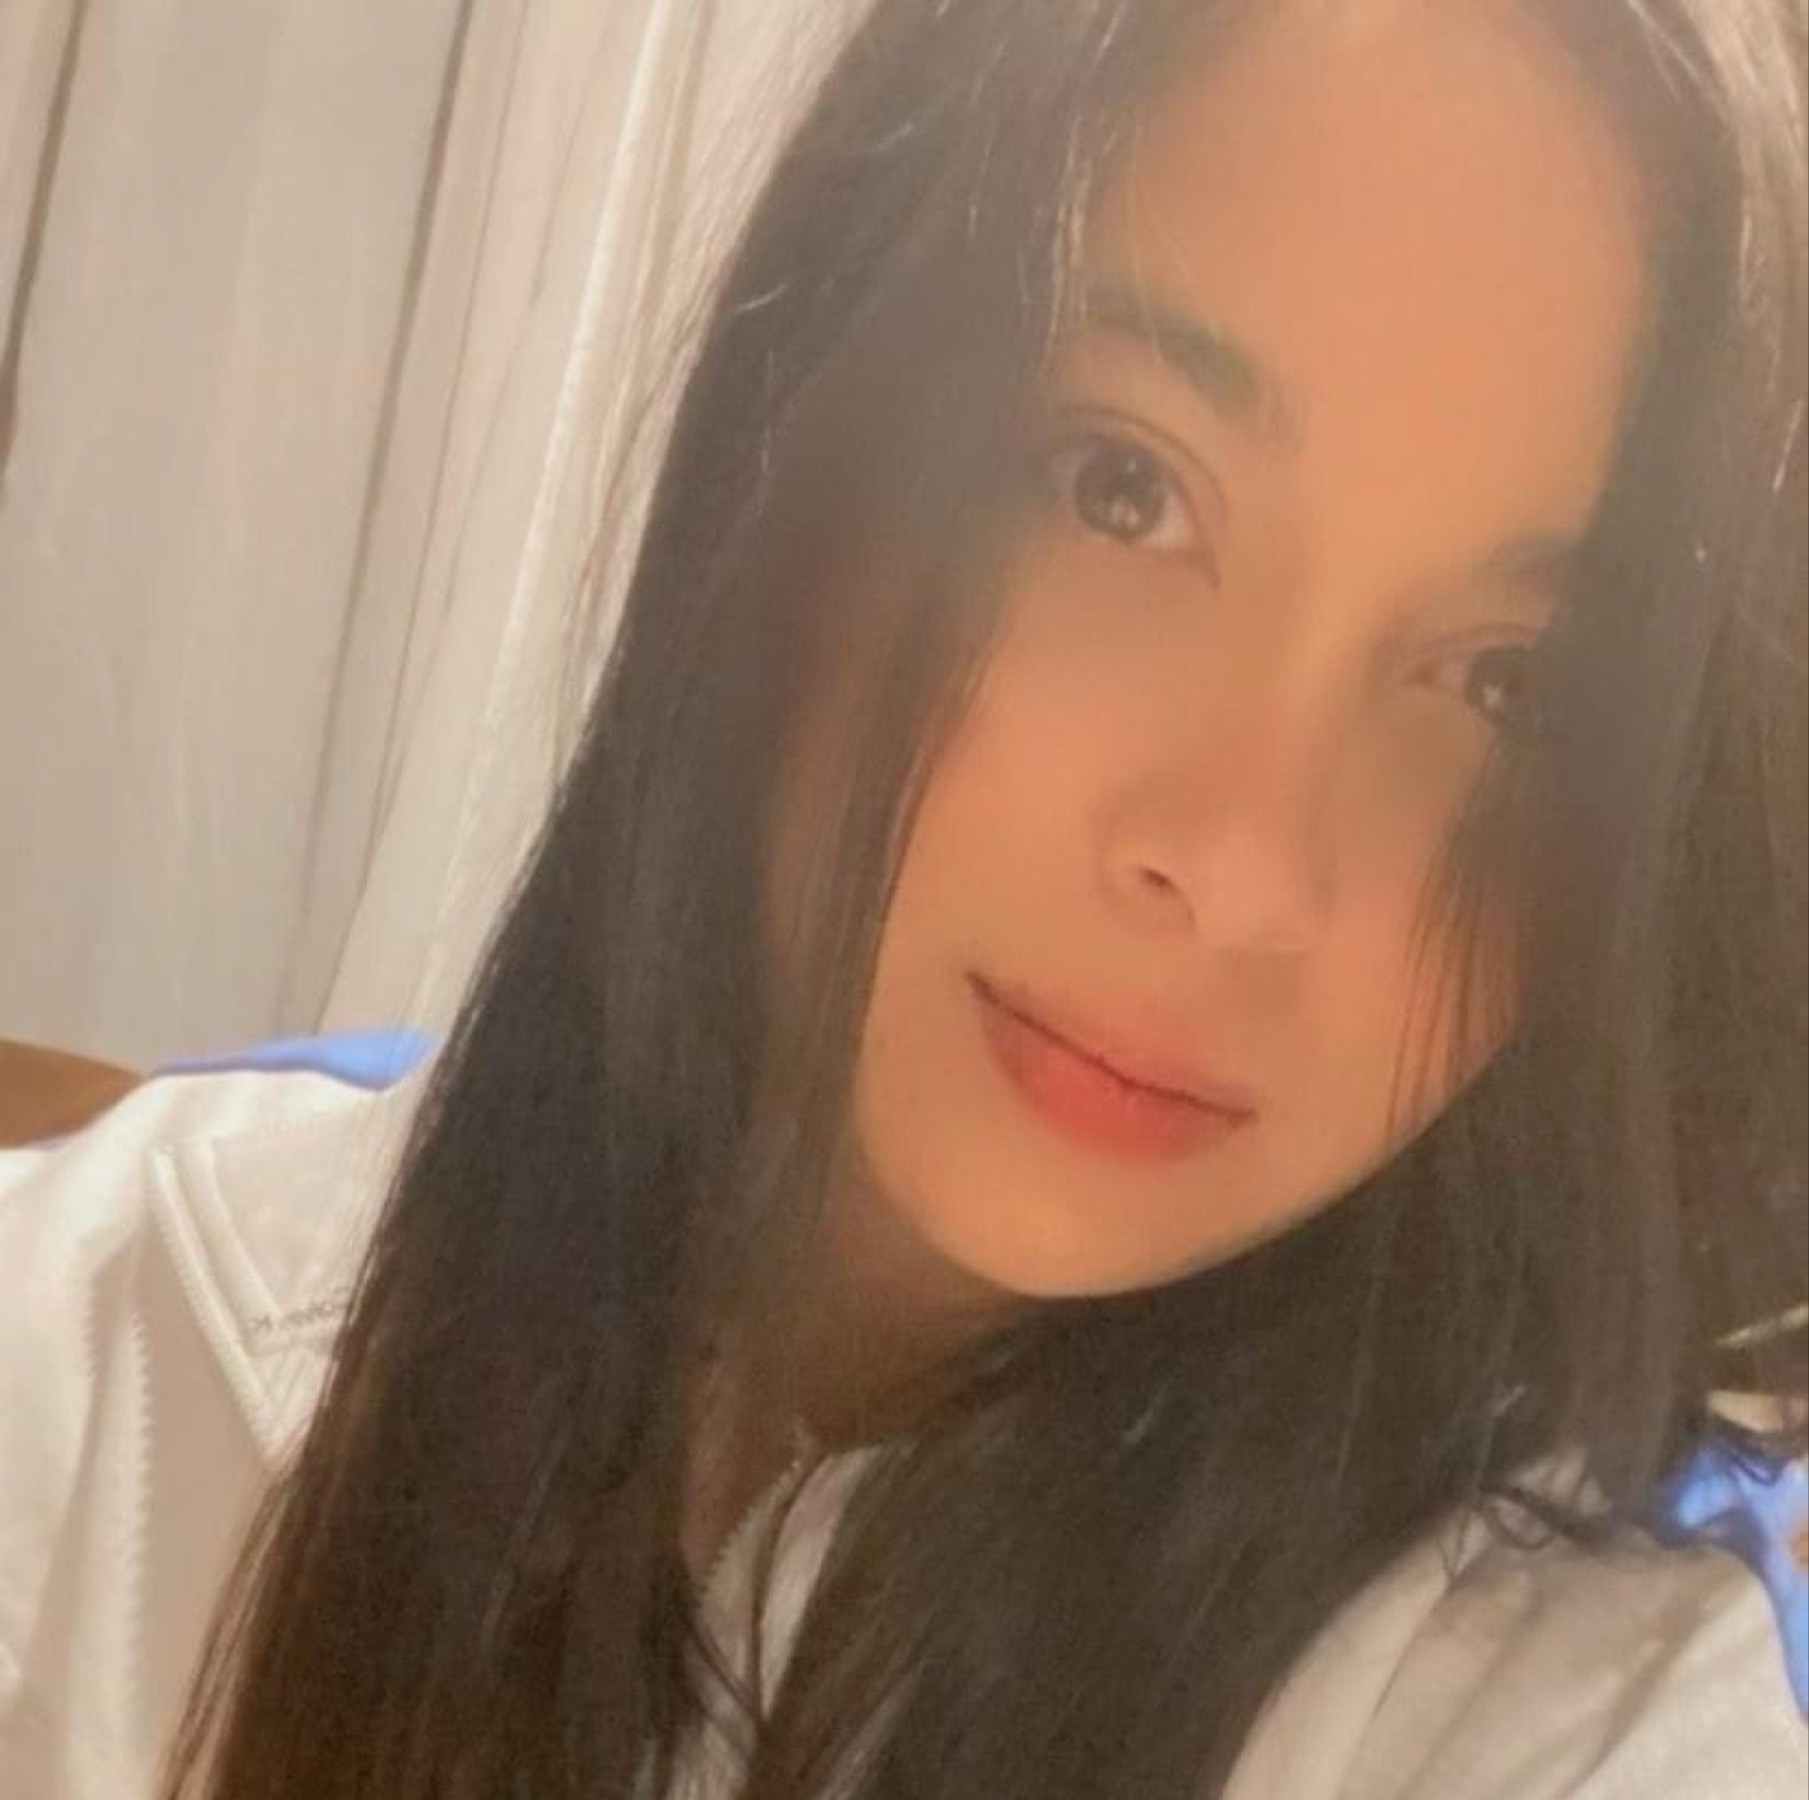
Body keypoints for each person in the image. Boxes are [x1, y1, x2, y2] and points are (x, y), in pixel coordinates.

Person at [2, 0, 1805, 1794]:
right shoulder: (120, 1344)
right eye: (1119, 489)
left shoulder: (1573, 1710)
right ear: (799, 431)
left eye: (1509, 686)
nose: (1238, 866)